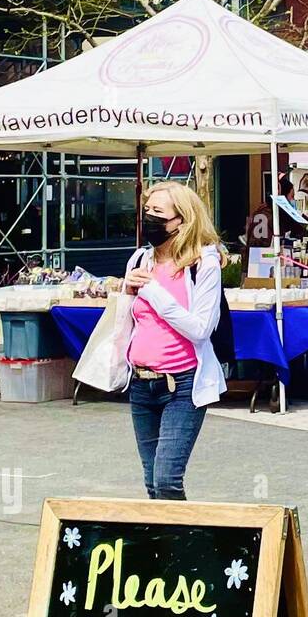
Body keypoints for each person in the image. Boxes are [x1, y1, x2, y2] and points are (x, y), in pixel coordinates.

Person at [123, 182, 227, 499]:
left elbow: (199, 328)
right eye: (147, 211)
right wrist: (127, 292)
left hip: (182, 384)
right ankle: (160, 546)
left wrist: (153, 290)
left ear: (181, 219)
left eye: (158, 212)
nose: (149, 218)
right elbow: (131, 320)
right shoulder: (140, 260)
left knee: (167, 480)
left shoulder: (203, 263)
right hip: (142, 383)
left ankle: (184, 547)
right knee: (152, 482)